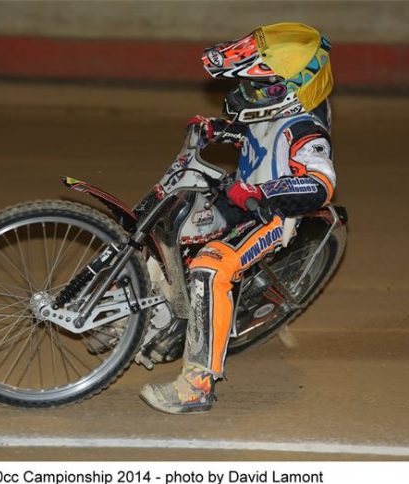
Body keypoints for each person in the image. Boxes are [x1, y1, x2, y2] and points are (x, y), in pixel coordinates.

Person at [139, 22, 336, 414]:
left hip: (272, 215)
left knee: (211, 268)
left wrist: (263, 194)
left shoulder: (305, 129)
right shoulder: (275, 105)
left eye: (255, 87)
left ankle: (197, 385)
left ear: (290, 91)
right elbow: (253, 134)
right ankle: (140, 319)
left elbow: (321, 182)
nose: (244, 93)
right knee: (170, 222)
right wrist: (217, 130)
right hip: (239, 194)